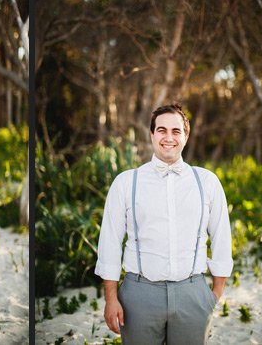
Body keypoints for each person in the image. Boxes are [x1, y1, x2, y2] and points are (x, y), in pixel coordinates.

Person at [95, 103, 233, 345]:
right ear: (151, 134)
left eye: (176, 131)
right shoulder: (126, 183)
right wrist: (111, 298)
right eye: (162, 130)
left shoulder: (207, 182)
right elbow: (110, 242)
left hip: (193, 293)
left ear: (186, 136)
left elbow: (222, 236)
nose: (169, 137)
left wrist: (215, 294)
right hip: (139, 294)